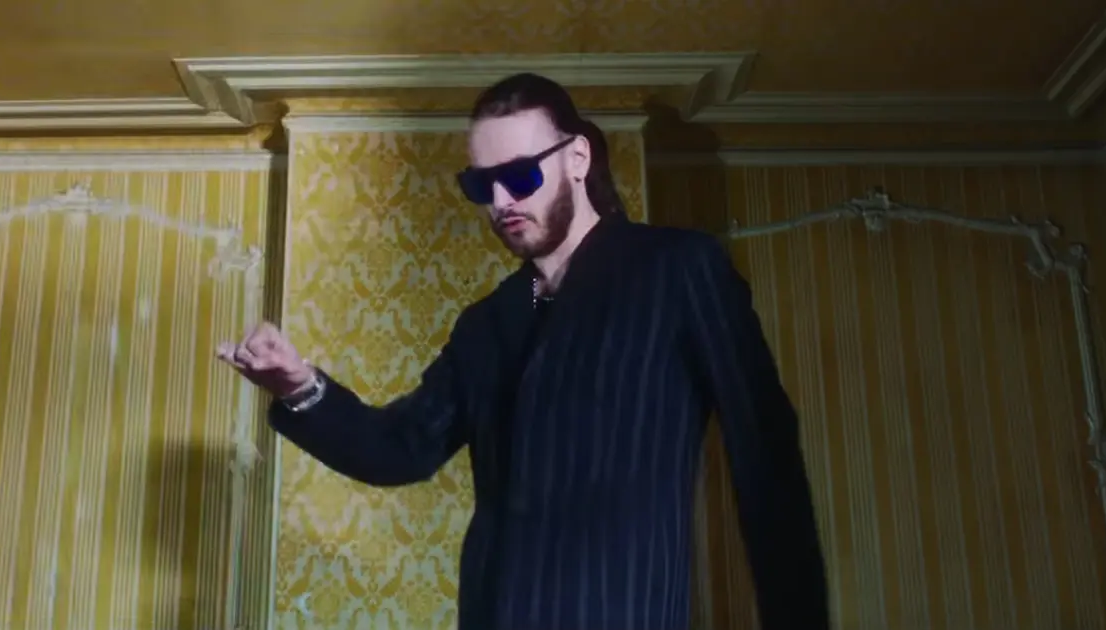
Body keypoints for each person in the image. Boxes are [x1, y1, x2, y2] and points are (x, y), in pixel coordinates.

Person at [217, 72, 829, 630]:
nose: (502, 200)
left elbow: (765, 457)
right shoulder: (486, 324)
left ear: (577, 158)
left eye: (521, 175)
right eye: (481, 184)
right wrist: (298, 387)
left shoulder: (679, 269)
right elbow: (400, 448)